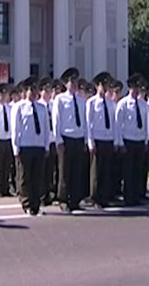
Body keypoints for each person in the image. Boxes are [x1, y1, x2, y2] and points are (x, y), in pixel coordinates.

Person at [11, 77, 50, 216]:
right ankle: (26, 203)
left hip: (38, 146)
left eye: (35, 90)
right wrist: (16, 147)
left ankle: (36, 205)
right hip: (25, 146)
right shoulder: (19, 107)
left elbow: (46, 127)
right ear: (25, 91)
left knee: (37, 177)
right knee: (25, 177)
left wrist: (46, 146)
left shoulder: (42, 107)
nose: (33, 93)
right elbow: (16, 129)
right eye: (30, 90)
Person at [53, 68, 87, 213]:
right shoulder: (60, 99)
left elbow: (85, 121)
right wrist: (58, 140)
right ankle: (63, 199)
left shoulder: (81, 100)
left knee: (77, 170)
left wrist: (85, 139)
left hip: (78, 138)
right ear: (66, 84)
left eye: (76, 81)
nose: (74, 84)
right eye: (71, 82)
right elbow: (56, 120)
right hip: (66, 138)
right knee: (65, 171)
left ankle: (75, 199)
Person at [86, 72, 119, 208]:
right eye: (102, 85)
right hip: (97, 139)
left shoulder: (110, 103)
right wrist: (90, 142)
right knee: (96, 171)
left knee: (107, 170)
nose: (104, 88)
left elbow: (114, 123)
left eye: (106, 85)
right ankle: (95, 197)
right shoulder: (92, 103)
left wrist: (115, 140)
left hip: (108, 139)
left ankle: (105, 196)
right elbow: (89, 123)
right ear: (97, 86)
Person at [115, 74, 148, 206]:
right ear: (129, 88)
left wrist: (146, 141)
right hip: (128, 140)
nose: (136, 91)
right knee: (128, 171)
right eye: (134, 88)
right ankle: (128, 197)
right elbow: (118, 124)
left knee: (138, 170)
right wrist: (120, 142)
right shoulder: (123, 103)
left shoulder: (143, 104)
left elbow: (145, 124)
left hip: (139, 140)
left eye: (138, 88)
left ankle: (136, 196)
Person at [38, 78, 58, 205]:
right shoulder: (39, 105)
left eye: (49, 90)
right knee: (41, 171)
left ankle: (48, 194)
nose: (48, 93)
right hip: (42, 141)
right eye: (45, 90)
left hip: (52, 140)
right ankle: (41, 195)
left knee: (50, 170)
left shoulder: (53, 105)